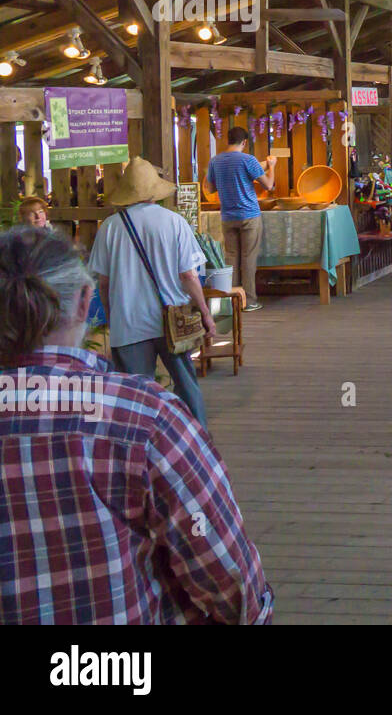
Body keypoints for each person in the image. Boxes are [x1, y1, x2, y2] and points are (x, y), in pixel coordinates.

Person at [0, 226, 273, 624]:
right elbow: (229, 581)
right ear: (83, 303)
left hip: (131, 328)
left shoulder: (111, 228)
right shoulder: (145, 418)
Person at [87, 157, 215, 427]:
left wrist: (112, 320)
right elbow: (189, 275)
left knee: (135, 397)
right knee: (187, 388)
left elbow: (104, 284)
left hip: (128, 323)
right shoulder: (174, 222)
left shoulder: (110, 228)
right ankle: (199, 441)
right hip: (172, 322)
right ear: (155, 192)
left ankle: (139, 453)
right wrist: (205, 313)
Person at [205, 126, 276, 312]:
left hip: (228, 216)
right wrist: (272, 167)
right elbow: (268, 185)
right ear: (244, 142)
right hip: (249, 215)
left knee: (231, 259)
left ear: (227, 140)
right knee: (248, 258)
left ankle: (232, 300)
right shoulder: (248, 160)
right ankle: (250, 301)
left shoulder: (215, 161)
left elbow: (210, 189)